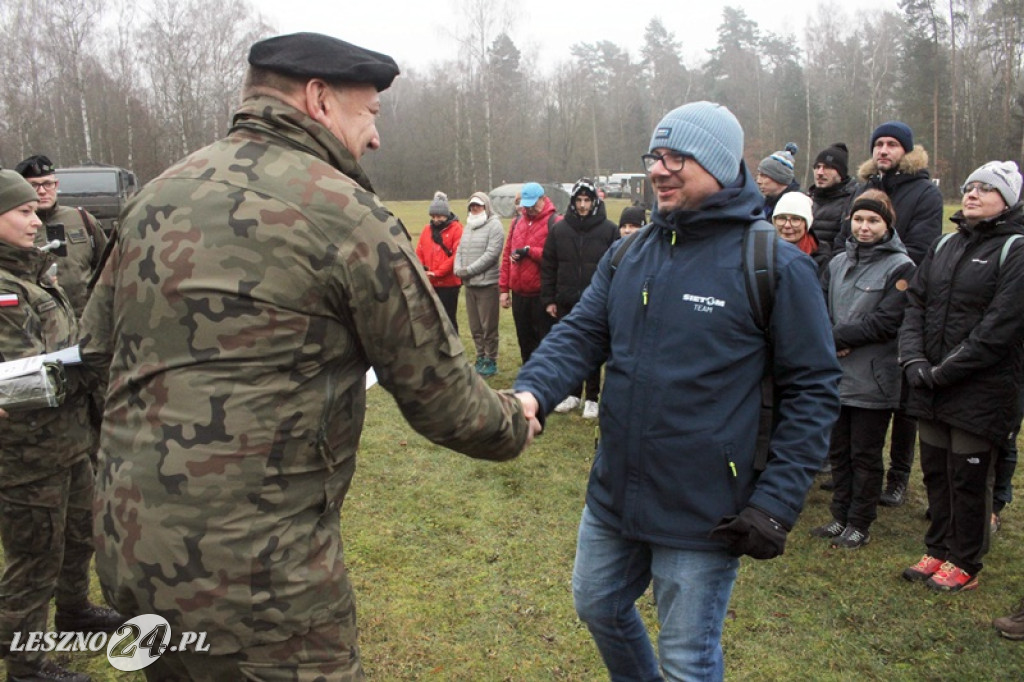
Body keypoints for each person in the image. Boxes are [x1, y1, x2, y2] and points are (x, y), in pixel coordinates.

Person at [78, 32, 537, 680]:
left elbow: (95, 351)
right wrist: (517, 418)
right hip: (261, 582)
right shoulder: (349, 217)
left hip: (132, 552)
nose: (376, 136)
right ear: (319, 99)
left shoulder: (154, 197)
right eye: (370, 112)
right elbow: (445, 404)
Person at [513, 101, 841, 680]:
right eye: (654, 157)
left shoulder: (775, 266)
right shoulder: (629, 252)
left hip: (705, 507)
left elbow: (813, 391)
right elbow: (584, 332)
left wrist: (777, 501)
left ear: (716, 163)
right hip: (616, 489)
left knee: (687, 660)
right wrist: (532, 392)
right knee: (598, 605)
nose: (658, 170)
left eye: (675, 158)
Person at [0, 170, 122, 682]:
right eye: (23, 211)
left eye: (35, 209)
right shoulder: (5, 290)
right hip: (27, 455)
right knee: (33, 558)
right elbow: (18, 383)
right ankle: (26, 666)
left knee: (79, 534)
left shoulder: (37, 273)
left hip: (71, 441)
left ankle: (74, 612)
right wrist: (93, 362)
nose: (36, 219)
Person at [899, 161, 1024, 592]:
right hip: (929, 382)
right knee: (935, 469)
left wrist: (945, 370)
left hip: (980, 388)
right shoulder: (944, 245)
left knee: (969, 478)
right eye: (969, 187)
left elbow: (1001, 326)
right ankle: (937, 547)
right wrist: (914, 361)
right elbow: (915, 305)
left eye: (985, 189)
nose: (971, 194)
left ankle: (964, 560)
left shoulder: (1016, 249)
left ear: (1006, 200)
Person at [836, 121, 944, 509]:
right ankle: (848, 471)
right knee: (854, 397)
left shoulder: (924, 194)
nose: (884, 150)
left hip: (900, 297)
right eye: (878, 144)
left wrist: (883, 290)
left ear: (906, 151)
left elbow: (920, 248)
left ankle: (898, 475)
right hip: (853, 295)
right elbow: (841, 242)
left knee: (899, 401)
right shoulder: (864, 189)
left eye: (892, 144)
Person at [809, 190, 914, 549]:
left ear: (887, 225)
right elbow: (819, 306)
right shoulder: (837, 263)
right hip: (836, 376)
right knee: (839, 451)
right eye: (858, 219)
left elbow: (887, 321)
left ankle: (860, 521)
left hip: (873, 377)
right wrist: (829, 338)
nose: (864, 227)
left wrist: (835, 336)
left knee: (865, 454)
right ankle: (840, 516)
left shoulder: (901, 267)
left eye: (873, 220)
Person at [541, 178, 619, 419]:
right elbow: (548, 265)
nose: (583, 205)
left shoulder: (609, 230)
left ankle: (592, 397)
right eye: (579, 200)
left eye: (587, 200)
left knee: (592, 349)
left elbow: (617, 268)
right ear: (573, 202)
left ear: (594, 201)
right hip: (565, 298)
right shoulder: (559, 230)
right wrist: (549, 299)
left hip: (595, 301)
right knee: (570, 348)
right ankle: (571, 393)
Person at [14, 155, 108, 319]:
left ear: (56, 184)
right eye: (34, 185)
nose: (42, 191)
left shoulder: (82, 219)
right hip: (38, 324)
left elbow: (108, 268)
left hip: (86, 321)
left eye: (48, 184)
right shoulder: (13, 227)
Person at [499, 181, 559, 364]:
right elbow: (506, 254)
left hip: (542, 295)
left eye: (534, 204)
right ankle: (528, 381)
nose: (530, 209)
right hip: (519, 295)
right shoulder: (517, 222)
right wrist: (503, 290)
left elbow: (555, 257)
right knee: (525, 342)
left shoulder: (555, 222)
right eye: (527, 205)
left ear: (543, 199)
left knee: (545, 344)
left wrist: (529, 251)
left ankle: (546, 383)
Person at [454, 192, 504, 377]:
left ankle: (491, 359)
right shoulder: (469, 226)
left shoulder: (495, 226)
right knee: (475, 326)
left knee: (488, 326)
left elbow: (492, 254)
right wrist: (458, 267)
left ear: (486, 207)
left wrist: (469, 270)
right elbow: (460, 249)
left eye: (478, 206)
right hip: (470, 285)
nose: (475, 209)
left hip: (487, 284)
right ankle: (480, 356)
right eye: (472, 206)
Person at [416, 191, 463, 333]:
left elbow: (456, 255)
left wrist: (437, 273)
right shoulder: (426, 230)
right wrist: (422, 270)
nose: (436, 219)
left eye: (439, 216)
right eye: (433, 216)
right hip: (430, 283)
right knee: (431, 320)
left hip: (449, 284)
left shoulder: (457, 229)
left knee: (448, 319)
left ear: (446, 215)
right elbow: (419, 251)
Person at [809, 142, 856, 262]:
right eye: (817, 167)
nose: (820, 172)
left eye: (828, 167)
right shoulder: (807, 200)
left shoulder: (853, 201)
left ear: (841, 173)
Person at [771, 191, 829, 273]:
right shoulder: (765, 251)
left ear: (806, 224)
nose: (787, 225)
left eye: (795, 219)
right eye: (782, 218)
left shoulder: (820, 255)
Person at [756, 142, 800, 221]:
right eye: (758, 175)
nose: (758, 181)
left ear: (780, 178)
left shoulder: (795, 207)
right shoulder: (764, 204)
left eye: (764, 176)